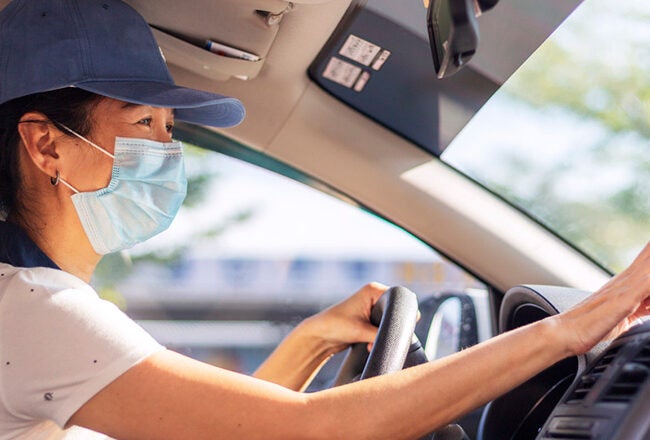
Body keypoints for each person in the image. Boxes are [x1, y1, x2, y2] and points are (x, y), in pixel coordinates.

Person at [0, 0, 648, 438]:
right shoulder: (36, 309)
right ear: (46, 143)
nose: (167, 153)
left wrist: (310, 340)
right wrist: (576, 327)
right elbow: (315, 431)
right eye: (143, 122)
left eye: (170, 131)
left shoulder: (37, 305)